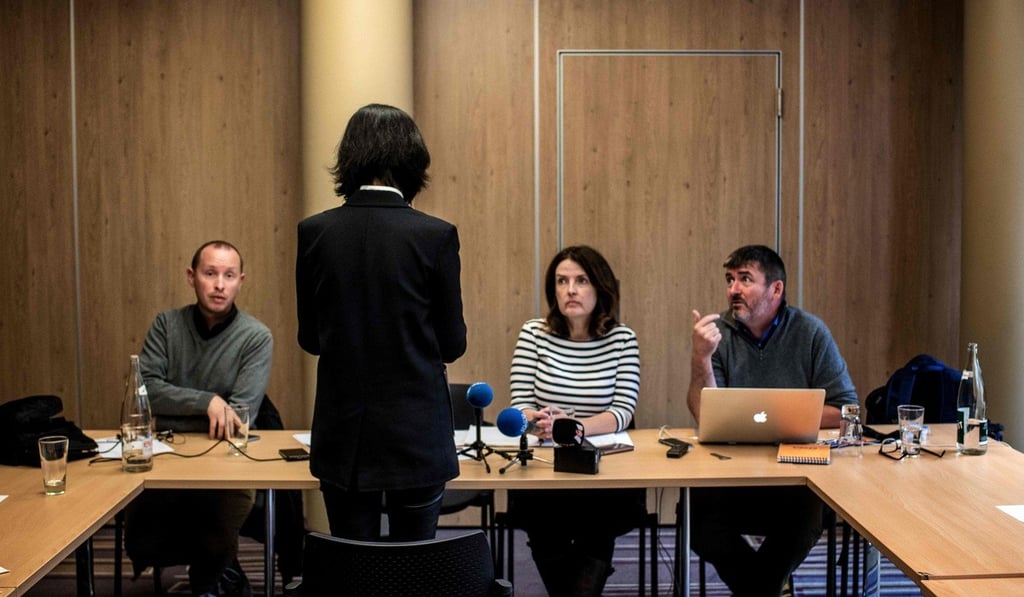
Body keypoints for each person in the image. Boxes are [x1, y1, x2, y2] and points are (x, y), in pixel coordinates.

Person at [296, 103, 467, 542]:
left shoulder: (315, 233)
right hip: (417, 439)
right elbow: (452, 345)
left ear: (349, 160)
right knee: (415, 568)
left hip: (342, 439)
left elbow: (311, 339)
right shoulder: (436, 235)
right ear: (414, 164)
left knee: (354, 572)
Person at [685, 244, 857, 596]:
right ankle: (769, 585)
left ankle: (759, 587)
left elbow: (846, 410)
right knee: (697, 522)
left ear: (775, 289)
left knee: (809, 517)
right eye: (730, 279)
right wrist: (701, 359)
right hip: (730, 474)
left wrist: (779, 414)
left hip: (792, 476)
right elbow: (704, 413)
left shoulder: (810, 333)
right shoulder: (720, 335)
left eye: (745, 279)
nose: (733, 289)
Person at [128, 240, 273, 597]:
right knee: (144, 533)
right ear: (192, 277)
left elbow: (239, 415)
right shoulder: (166, 325)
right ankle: (221, 572)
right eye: (210, 274)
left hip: (227, 463)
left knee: (215, 523)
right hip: (166, 457)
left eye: (228, 275)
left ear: (241, 280)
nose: (219, 285)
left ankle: (212, 578)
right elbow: (145, 392)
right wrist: (207, 402)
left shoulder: (256, 337)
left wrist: (175, 409)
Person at [509, 245, 641, 597]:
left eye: (581, 280)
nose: (570, 289)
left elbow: (622, 412)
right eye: (561, 281)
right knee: (544, 524)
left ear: (600, 287)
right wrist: (535, 420)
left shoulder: (622, 338)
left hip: (601, 467)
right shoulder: (534, 333)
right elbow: (520, 403)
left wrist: (577, 427)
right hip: (546, 463)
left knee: (598, 525)